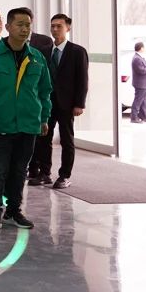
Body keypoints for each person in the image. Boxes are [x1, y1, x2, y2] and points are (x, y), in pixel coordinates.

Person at [0, 8, 51, 233]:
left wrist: (43, 118)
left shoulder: (36, 57)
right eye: (20, 24)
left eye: (28, 25)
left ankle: (14, 211)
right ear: (8, 27)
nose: (25, 29)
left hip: (28, 124)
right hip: (0, 123)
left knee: (20, 170)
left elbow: (45, 91)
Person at [30, 14, 89, 188]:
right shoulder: (45, 51)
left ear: (68, 28)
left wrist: (79, 103)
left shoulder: (77, 51)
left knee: (66, 140)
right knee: (43, 138)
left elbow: (82, 79)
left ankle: (64, 175)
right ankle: (44, 173)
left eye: (59, 26)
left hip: (67, 103)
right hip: (47, 103)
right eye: (53, 26)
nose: (55, 29)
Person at [130, 42, 146, 123]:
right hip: (141, 84)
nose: (144, 49)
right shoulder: (137, 59)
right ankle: (134, 118)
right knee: (137, 101)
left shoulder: (140, 57)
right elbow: (142, 70)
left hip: (144, 84)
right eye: (144, 47)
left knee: (143, 101)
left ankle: (144, 117)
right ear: (141, 48)